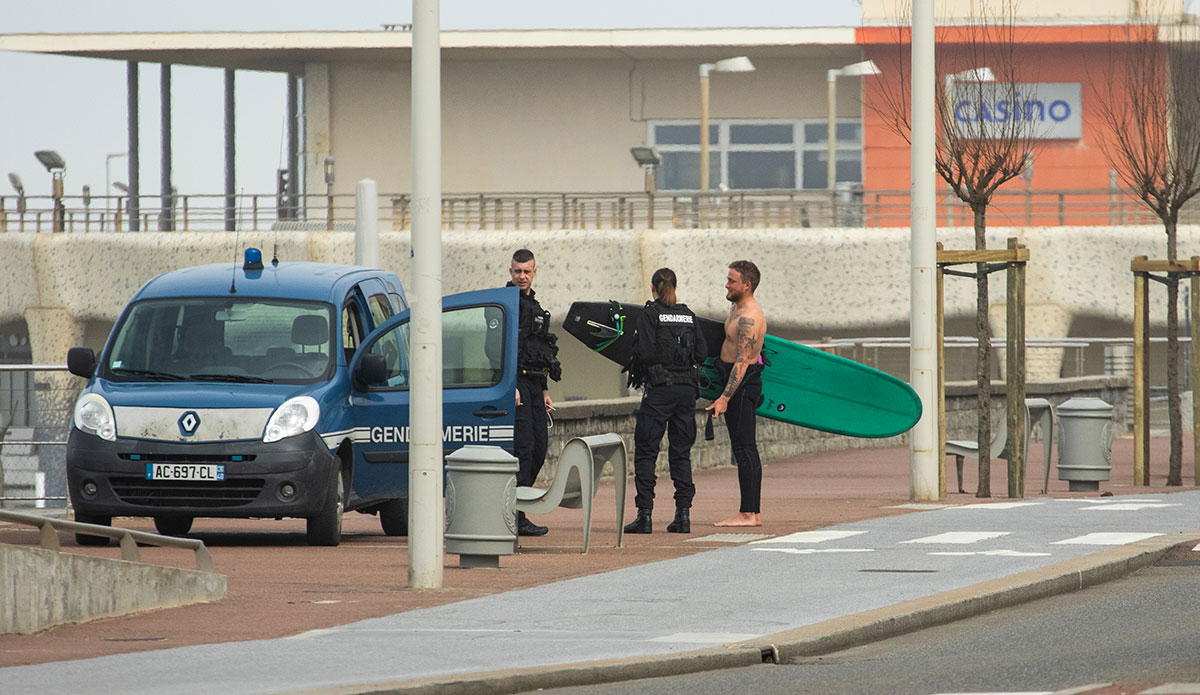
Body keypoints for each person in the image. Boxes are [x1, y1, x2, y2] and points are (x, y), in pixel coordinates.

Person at [623, 268, 708, 535]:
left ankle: (644, 516)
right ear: (676, 286)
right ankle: (683, 516)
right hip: (686, 391)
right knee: (681, 453)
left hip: (660, 390)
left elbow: (646, 352)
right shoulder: (688, 315)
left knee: (647, 450)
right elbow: (703, 353)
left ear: (653, 286)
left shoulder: (650, 314)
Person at [705, 260, 767, 528]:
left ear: (747, 285)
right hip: (732, 380)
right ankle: (752, 513)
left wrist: (725, 398)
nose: (726, 284)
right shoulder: (735, 308)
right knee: (743, 448)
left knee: (745, 448)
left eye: (732, 281)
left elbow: (742, 362)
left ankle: (749, 514)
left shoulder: (749, 318)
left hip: (742, 385)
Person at [508, 248, 562, 537]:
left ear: (534, 272)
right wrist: (510, 385)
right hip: (515, 387)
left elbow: (539, 352)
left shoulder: (536, 307)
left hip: (534, 386)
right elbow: (496, 349)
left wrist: (544, 389)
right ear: (510, 272)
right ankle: (515, 514)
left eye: (527, 271)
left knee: (540, 449)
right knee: (524, 451)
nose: (522, 276)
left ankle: (518, 507)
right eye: (517, 271)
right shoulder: (504, 303)